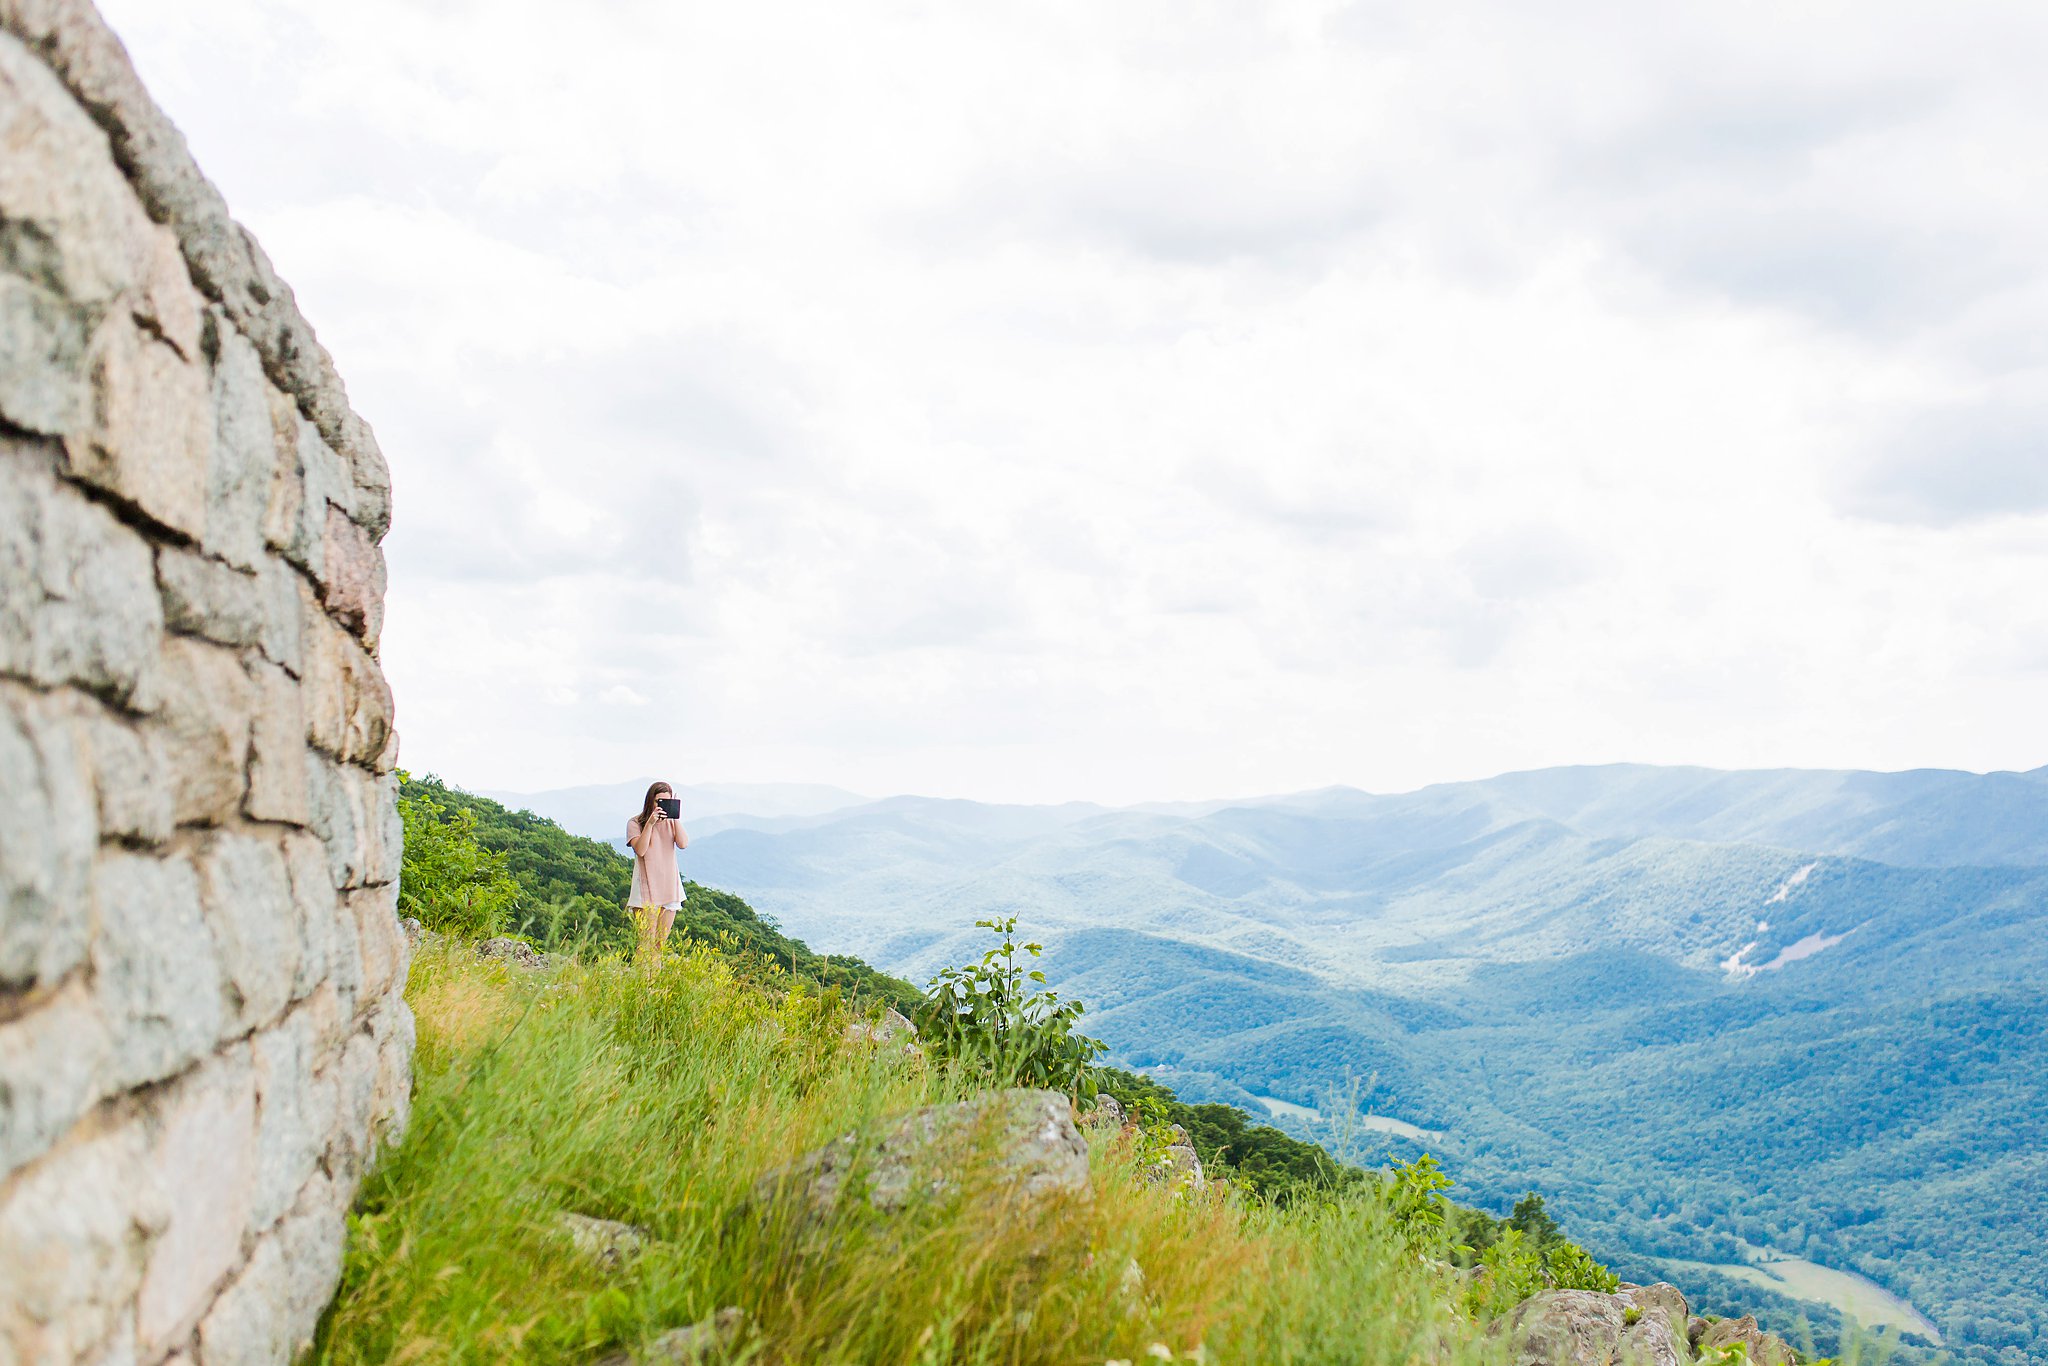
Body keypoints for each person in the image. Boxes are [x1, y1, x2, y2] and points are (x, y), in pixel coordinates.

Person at [626, 780, 688, 964]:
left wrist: (675, 818)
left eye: (667, 802)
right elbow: (641, 850)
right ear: (650, 802)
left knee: (660, 945)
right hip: (645, 888)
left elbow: (683, 844)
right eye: (659, 802)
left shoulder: (672, 823)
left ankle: (654, 986)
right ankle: (641, 985)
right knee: (645, 943)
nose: (662, 806)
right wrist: (651, 824)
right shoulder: (635, 822)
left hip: (669, 886)